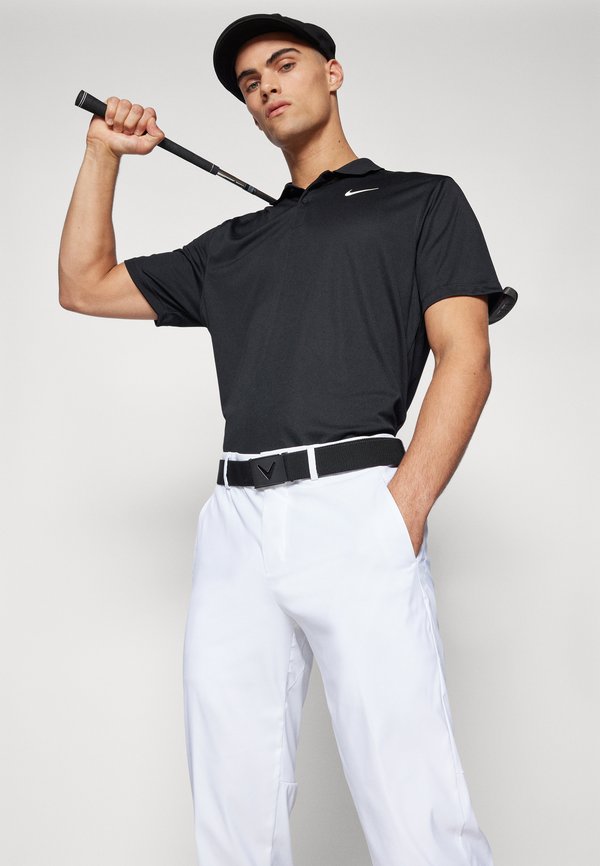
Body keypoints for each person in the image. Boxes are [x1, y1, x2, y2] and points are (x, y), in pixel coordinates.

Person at [58, 12, 516, 866]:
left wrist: (404, 509)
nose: (266, 85)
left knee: (410, 789)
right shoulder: (234, 244)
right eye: (249, 82)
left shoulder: (421, 201)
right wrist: (102, 153)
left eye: (284, 63)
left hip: (357, 506)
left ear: (332, 74)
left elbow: (467, 356)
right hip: (235, 522)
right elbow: (83, 284)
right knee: (233, 795)